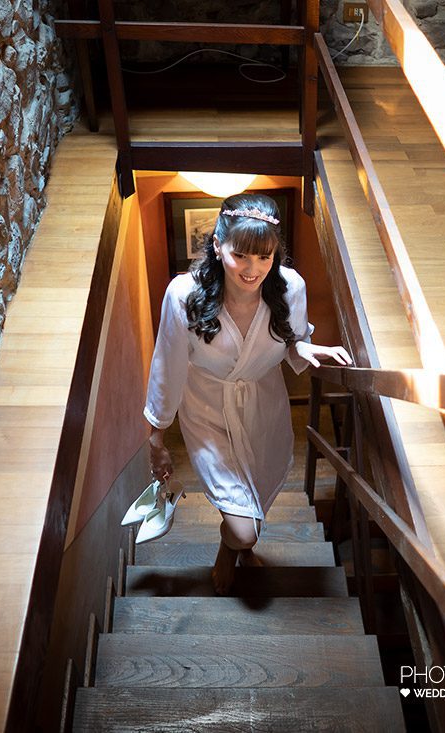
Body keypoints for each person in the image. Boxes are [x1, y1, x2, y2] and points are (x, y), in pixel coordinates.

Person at [144, 192, 353, 594]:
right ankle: (233, 545)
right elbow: (167, 365)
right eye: (241, 255)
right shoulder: (183, 295)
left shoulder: (290, 287)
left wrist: (303, 347)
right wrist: (156, 436)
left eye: (264, 257)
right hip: (206, 407)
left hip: (263, 403)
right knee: (244, 530)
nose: (252, 269)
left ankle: (239, 540)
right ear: (218, 245)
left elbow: (292, 338)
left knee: (260, 483)